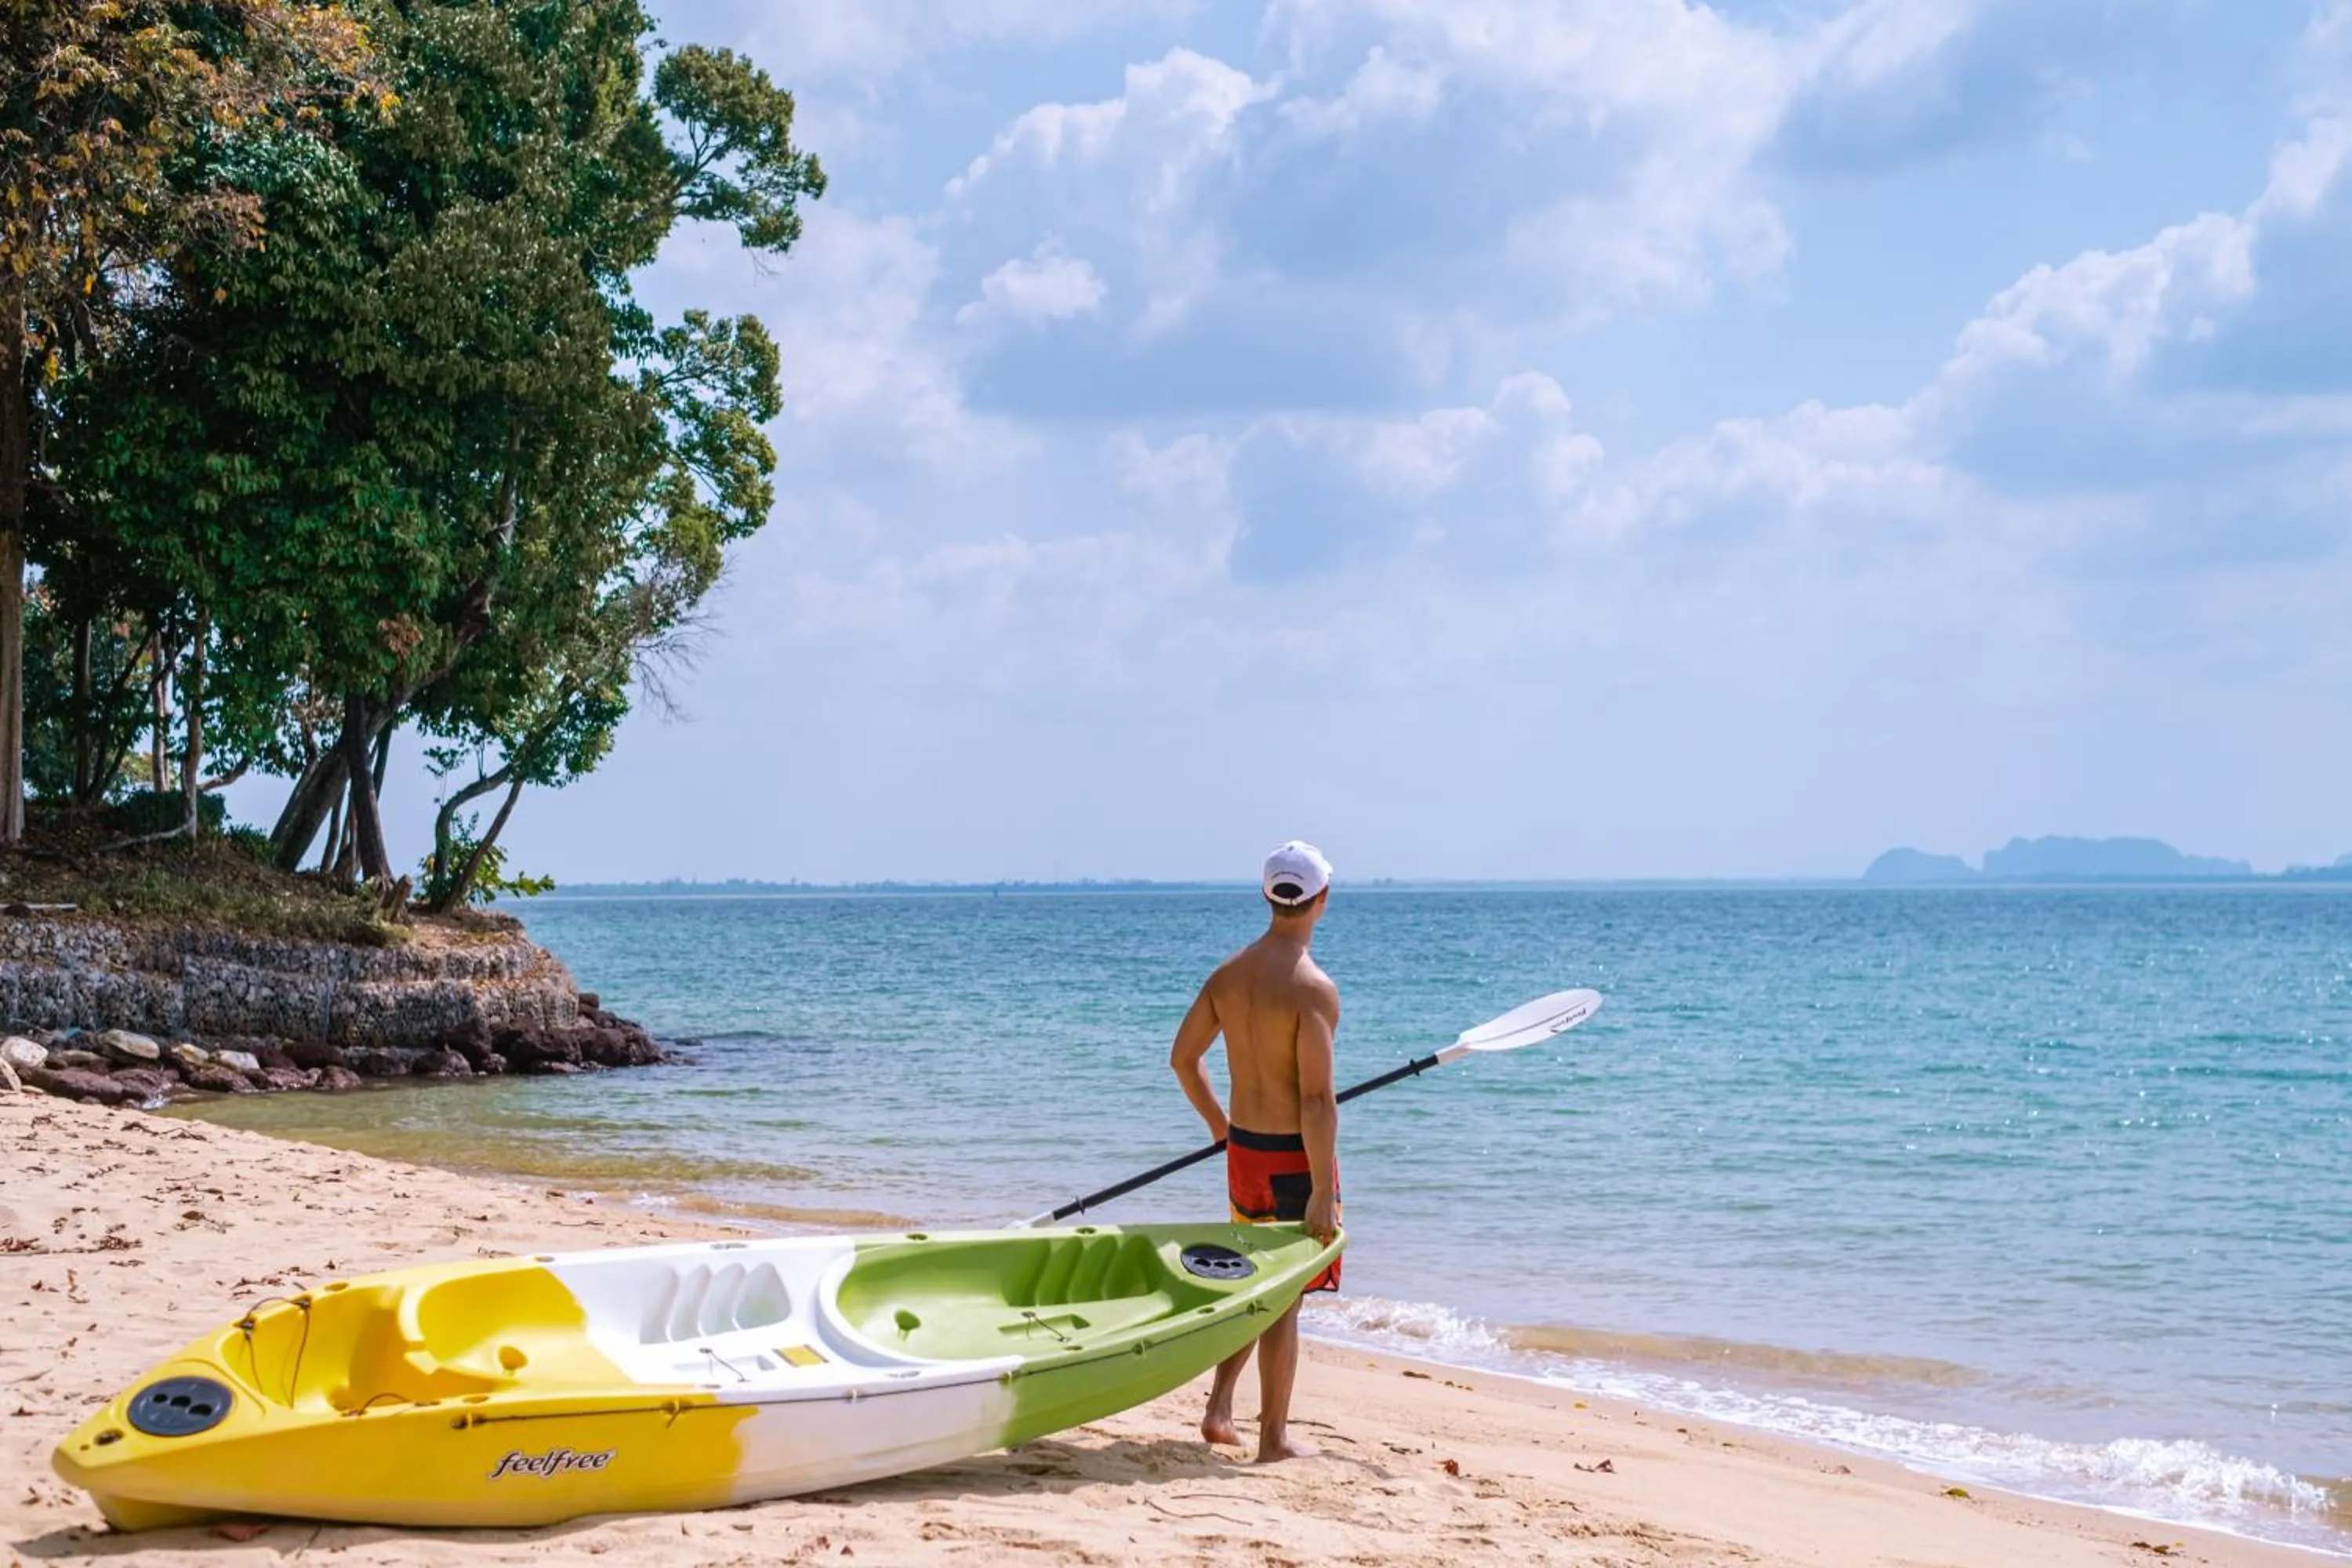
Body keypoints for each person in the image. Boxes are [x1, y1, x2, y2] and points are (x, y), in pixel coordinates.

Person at [1168, 839, 1342, 1463]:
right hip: (1295, 1160)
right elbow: (1317, 1102)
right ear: (1322, 899)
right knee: (1283, 1299)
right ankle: (1273, 1439)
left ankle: (1219, 1408)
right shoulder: (1312, 989)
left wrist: (1220, 1126)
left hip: (1244, 1154)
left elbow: (1183, 1060)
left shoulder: (1227, 977)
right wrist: (1322, 1189)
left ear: (1267, 896)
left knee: (1250, 1286)